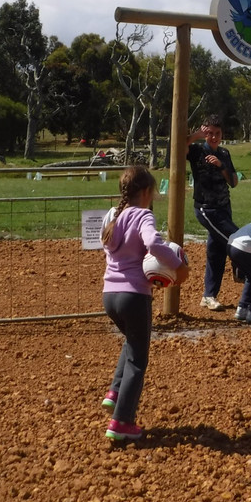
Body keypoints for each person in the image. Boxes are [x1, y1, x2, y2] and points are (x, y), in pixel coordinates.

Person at [100, 165, 187, 443]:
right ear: (147, 192)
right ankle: (122, 422)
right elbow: (153, 243)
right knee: (139, 359)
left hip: (109, 296)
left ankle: (115, 392)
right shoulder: (142, 215)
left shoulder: (113, 215)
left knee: (132, 341)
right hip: (134, 295)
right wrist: (178, 268)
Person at [186, 115, 239, 311]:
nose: (214, 137)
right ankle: (247, 276)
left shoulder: (224, 153)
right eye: (210, 133)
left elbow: (233, 182)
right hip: (206, 208)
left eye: (217, 134)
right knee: (237, 240)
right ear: (204, 132)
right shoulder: (197, 150)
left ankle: (209, 296)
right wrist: (195, 135)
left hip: (224, 207)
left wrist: (221, 166)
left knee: (216, 252)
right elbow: (178, 146)